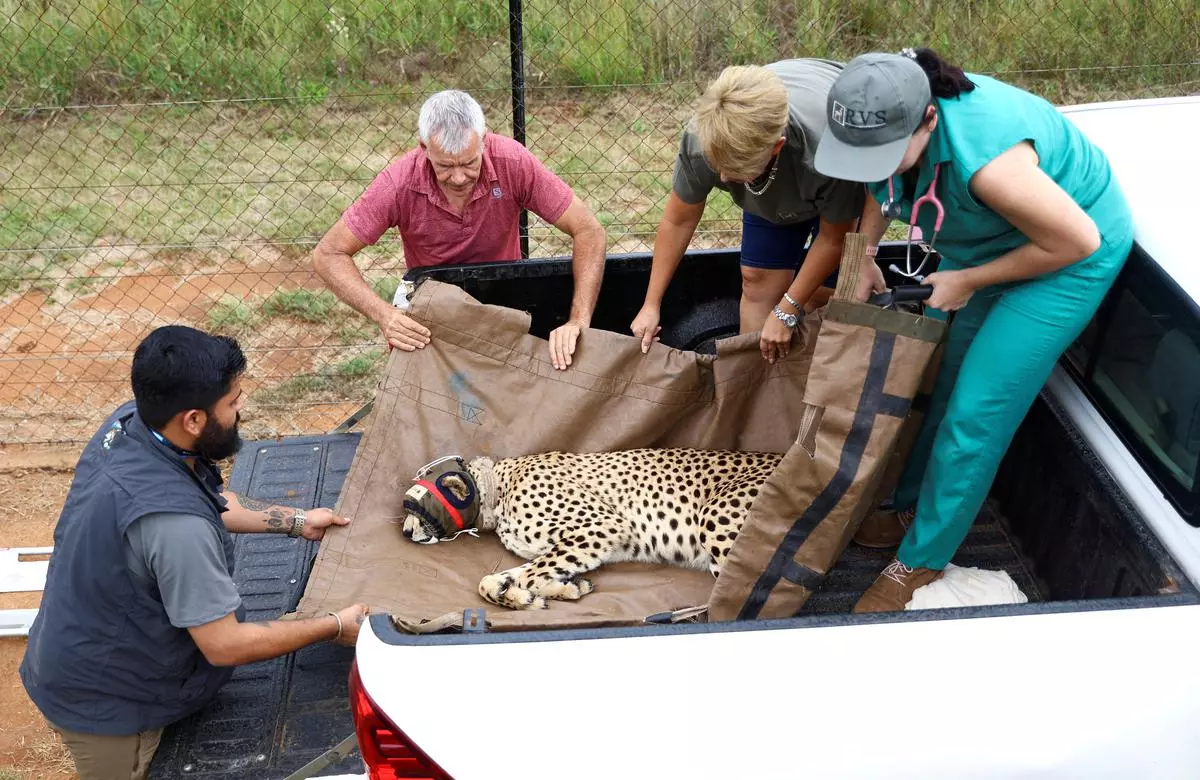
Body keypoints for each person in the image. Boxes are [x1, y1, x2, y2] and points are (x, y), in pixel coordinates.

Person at [813, 48, 1134, 612]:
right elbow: (879, 184)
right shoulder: (883, 111)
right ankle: (910, 505)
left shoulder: (989, 163)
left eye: (887, 153)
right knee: (940, 381)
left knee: (974, 414)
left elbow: (1075, 241)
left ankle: (922, 561)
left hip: (1066, 257)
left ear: (930, 119)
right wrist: (861, 252)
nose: (875, 166)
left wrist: (969, 281)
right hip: (989, 247)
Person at [19, 325, 370, 780]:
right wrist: (335, 625)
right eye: (232, 400)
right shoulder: (174, 528)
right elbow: (224, 645)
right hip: (109, 703)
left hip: (84, 639)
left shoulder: (133, 424)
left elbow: (208, 501)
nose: (241, 407)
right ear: (193, 420)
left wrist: (299, 520)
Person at [312, 89, 607, 371]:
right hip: (434, 305)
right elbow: (328, 254)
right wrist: (385, 315)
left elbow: (589, 231)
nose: (458, 177)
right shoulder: (398, 183)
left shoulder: (513, 162)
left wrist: (578, 321)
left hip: (504, 298)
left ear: (483, 141)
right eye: (445, 166)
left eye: (469, 163)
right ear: (424, 148)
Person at [629, 59, 866, 364]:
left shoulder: (828, 149)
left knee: (820, 294)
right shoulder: (705, 137)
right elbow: (679, 219)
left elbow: (834, 240)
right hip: (772, 183)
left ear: (775, 148)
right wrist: (651, 303)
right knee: (757, 281)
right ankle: (749, 388)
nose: (724, 180)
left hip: (834, 170)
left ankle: (806, 386)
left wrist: (788, 310)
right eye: (719, 167)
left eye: (736, 170)